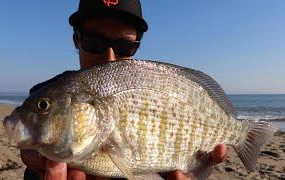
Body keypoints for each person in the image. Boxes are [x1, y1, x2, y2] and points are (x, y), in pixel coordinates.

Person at [21, 0, 228, 179]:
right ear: (77, 40)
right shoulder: (47, 92)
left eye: (124, 47)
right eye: (95, 42)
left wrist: (197, 167)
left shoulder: (155, 83)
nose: (110, 57)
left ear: (137, 45)